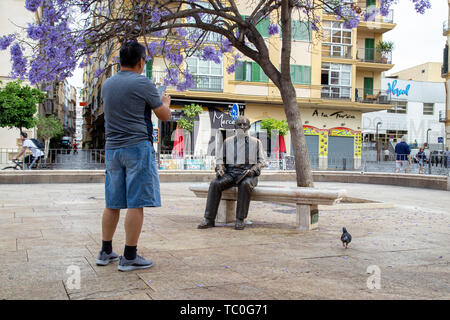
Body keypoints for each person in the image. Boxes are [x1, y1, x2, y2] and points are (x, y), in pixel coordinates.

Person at [97, 41, 171, 272]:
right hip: (137, 148)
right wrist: (166, 102)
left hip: (112, 149)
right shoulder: (143, 82)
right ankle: (129, 256)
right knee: (136, 203)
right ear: (141, 62)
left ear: (120, 61)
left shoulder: (107, 85)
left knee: (113, 202)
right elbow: (164, 116)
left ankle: (106, 251)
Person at [197, 116, 266, 230]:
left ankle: (240, 219)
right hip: (231, 173)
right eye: (239, 125)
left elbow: (262, 162)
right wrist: (220, 168)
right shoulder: (227, 142)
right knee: (215, 184)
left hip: (247, 174)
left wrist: (252, 170)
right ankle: (209, 219)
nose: (242, 127)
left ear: (248, 127)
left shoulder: (256, 142)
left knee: (245, 185)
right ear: (235, 127)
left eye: (244, 125)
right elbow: (220, 159)